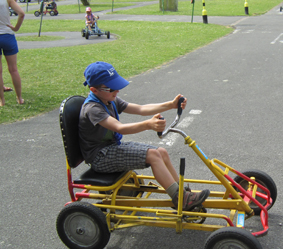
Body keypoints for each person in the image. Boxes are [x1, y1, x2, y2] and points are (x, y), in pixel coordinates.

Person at [79, 62, 210, 211]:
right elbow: (119, 128)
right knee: (153, 155)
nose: (116, 91)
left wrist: (171, 105)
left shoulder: (109, 98)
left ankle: (183, 193)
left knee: (161, 152)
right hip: (100, 157)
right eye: (111, 88)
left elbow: (141, 109)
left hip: (111, 148)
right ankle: (181, 199)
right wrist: (148, 125)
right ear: (94, 90)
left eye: (116, 86)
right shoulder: (93, 108)